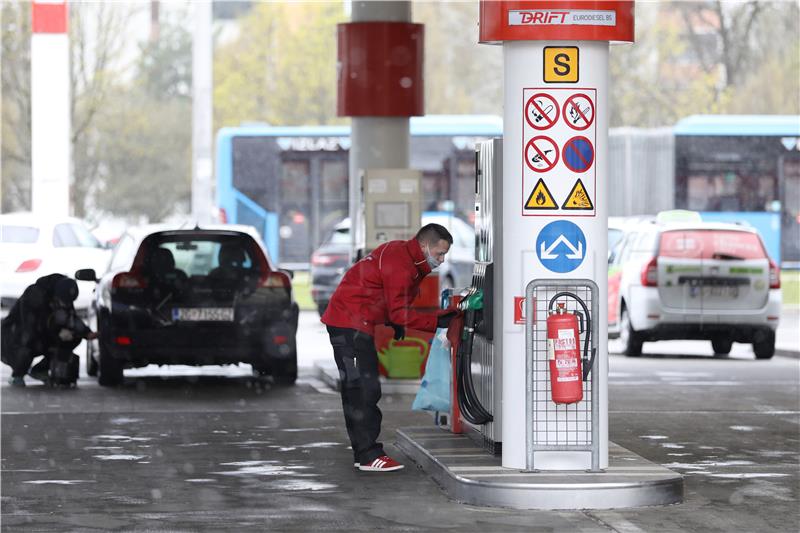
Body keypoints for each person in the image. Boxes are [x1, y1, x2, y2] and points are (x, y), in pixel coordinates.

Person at [321, 223, 459, 472]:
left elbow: (380, 293)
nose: (441, 259)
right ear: (424, 245)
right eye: (439, 253)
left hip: (355, 321)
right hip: (349, 323)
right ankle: (368, 454)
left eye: (445, 254)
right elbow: (399, 312)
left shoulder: (407, 259)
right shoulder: (401, 264)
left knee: (359, 388)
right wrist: (438, 320)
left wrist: (394, 322)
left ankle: (363, 452)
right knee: (362, 389)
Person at [1, 274, 97, 387]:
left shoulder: (62, 296)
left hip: (41, 334)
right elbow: (30, 325)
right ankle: (17, 374)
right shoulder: (34, 295)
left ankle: (40, 370)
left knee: (72, 339)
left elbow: (70, 317)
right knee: (28, 340)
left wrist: (85, 332)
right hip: (14, 336)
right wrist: (56, 333)